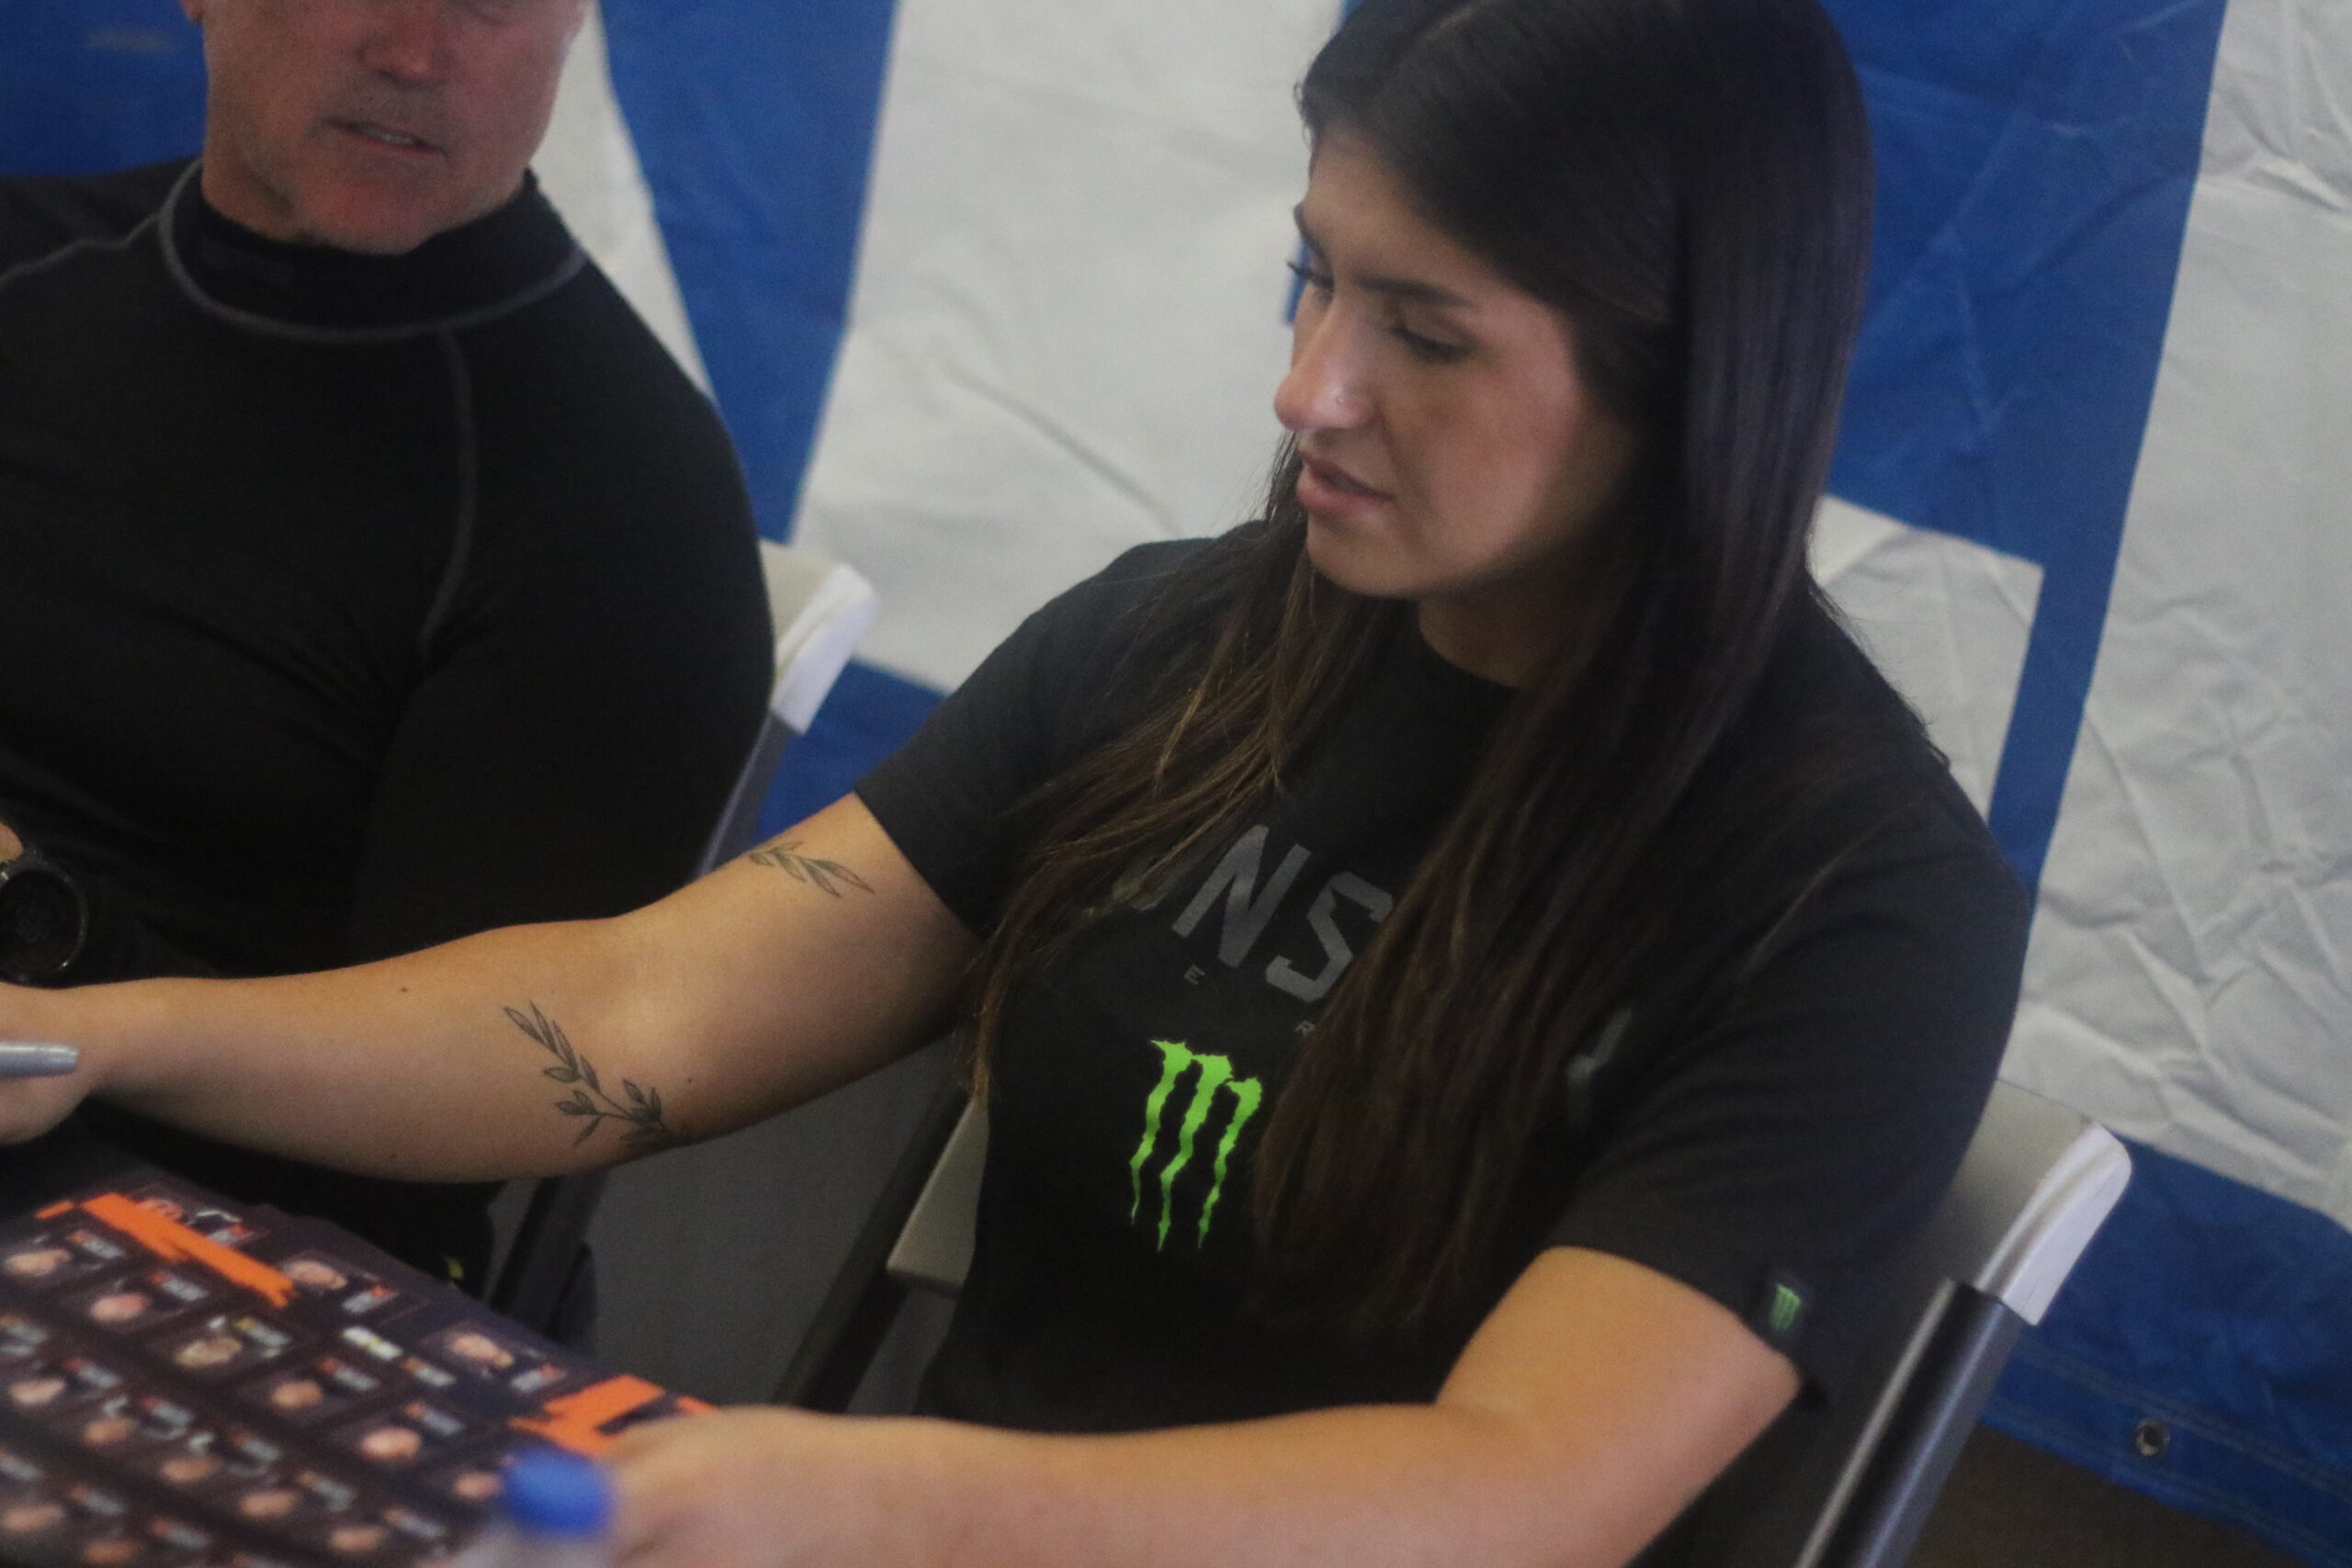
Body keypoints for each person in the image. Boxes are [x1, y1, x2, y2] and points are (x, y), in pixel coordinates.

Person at [0, 0, 2031, 1562]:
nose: (1309, 389)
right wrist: (95, 1037)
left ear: (1691, 378)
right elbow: (637, 1012)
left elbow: (1518, 1490)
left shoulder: (1845, 896)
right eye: (1314, 278)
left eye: (1425, 335)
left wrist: (874, 1498)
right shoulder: (1182, 643)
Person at [0, 0, 772, 1286]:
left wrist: (34, 924)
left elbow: (420, 1157)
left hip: (209, 1249)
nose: (417, 55)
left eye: (490, 1)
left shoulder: (625, 501)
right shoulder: (32, 262)